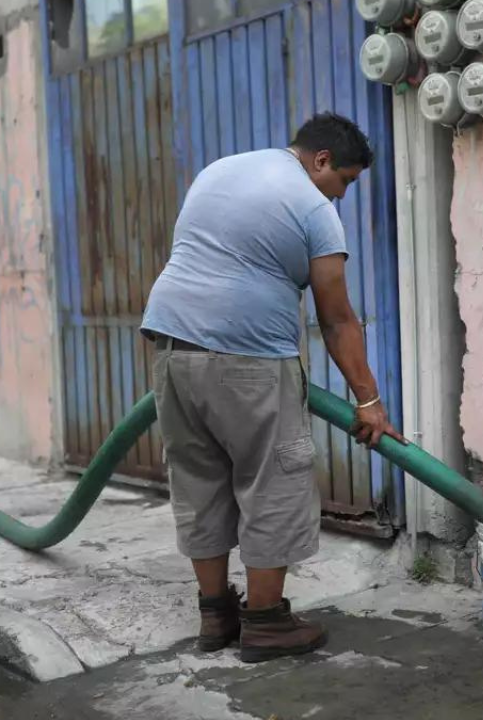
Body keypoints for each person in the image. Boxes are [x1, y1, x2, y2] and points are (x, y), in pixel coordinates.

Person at [140, 112, 404, 663]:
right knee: (274, 481)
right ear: (322, 160)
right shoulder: (314, 208)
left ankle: (216, 617)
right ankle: (265, 624)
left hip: (170, 348)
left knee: (197, 478)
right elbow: (337, 320)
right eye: (346, 182)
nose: (342, 196)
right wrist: (369, 402)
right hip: (250, 357)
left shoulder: (219, 171)